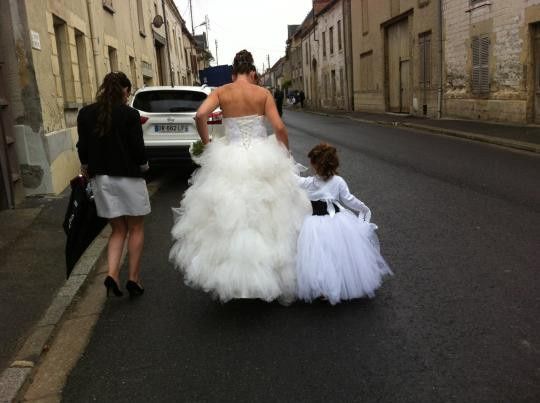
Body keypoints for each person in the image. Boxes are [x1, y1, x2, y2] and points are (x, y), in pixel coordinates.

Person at [169, 50, 311, 303]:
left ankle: (235, 280)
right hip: (262, 156)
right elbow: (279, 127)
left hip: (229, 156)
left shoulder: (222, 91)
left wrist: (208, 143)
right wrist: (285, 153)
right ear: (253, 72)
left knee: (231, 219)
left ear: (233, 73)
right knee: (270, 218)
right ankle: (267, 275)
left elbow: (200, 115)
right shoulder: (263, 93)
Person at [77, 71, 150, 298]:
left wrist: (87, 165)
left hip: (102, 180)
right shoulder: (129, 114)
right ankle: (133, 279)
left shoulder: (86, 114)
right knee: (136, 228)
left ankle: (112, 274)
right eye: (128, 93)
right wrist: (144, 165)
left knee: (118, 229)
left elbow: (83, 149)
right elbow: (138, 150)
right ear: (124, 91)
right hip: (129, 178)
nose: (128, 98)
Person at [295, 143, 392, 304]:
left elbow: (294, 180)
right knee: (339, 253)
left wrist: (287, 164)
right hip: (338, 222)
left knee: (320, 255)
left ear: (313, 165)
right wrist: (363, 208)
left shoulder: (310, 183)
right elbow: (349, 199)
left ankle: (323, 287)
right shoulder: (338, 181)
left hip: (315, 225)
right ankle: (340, 282)